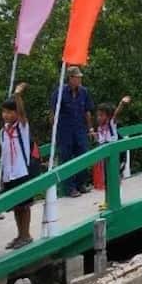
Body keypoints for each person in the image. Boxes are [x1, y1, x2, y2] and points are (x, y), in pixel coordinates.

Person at [0, 83, 36, 248]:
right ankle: (19, 235)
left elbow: (22, 113)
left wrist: (18, 95)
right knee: (16, 206)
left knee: (25, 206)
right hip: (10, 174)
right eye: (4, 112)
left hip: (22, 172)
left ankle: (26, 235)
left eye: (9, 112)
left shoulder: (21, 128)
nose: (6, 115)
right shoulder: (3, 131)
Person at [49, 65, 94, 196]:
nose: (79, 80)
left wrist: (90, 128)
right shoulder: (59, 92)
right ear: (70, 78)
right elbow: (52, 112)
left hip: (80, 129)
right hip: (65, 131)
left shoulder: (84, 91)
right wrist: (54, 130)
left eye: (80, 78)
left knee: (84, 156)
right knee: (66, 159)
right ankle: (70, 188)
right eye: (77, 77)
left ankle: (81, 184)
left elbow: (87, 111)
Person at [90, 94, 130, 194]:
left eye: (101, 115)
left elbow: (116, 113)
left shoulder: (111, 123)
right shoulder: (99, 128)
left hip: (117, 154)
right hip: (106, 155)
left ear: (108, 116)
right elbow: (100, 142)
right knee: (107, 177)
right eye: (97, 115)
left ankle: (116, 197)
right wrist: (95, 137)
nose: (98, 118)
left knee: (115, 176)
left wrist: (122, 103)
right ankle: (109, 200)